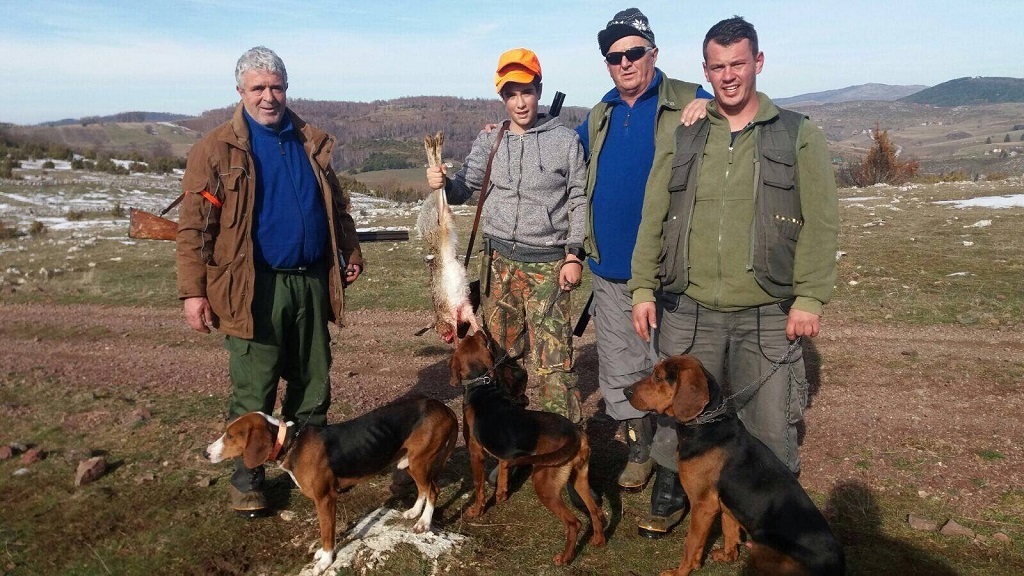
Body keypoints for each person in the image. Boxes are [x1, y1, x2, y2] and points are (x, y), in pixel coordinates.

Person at [629, 12, 839, 524]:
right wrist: (641, 286)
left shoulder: (796, 134)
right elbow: (654, 210)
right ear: (706, 68)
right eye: (718, 66)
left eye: (738, 64)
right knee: (683, 412)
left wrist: (809, 298)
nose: (729, 75)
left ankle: (768, 516)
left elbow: (821, 219)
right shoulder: (685, 132)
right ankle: (674, 488)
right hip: (691, 306)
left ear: (758, 63)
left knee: (768, 424)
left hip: (766, 308)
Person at [176, 46, 363, 517]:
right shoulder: (216, 149)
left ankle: (311, 467)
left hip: (311, 282)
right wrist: (194, 291)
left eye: (276, 86)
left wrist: (349, 250)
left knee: (312, 381)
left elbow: (335, 206)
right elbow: (195, 227)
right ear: (240, 92)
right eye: (258, 88)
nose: (268, 96)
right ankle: (248, 479)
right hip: (252, 287)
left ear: (286, 89)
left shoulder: (309, 141)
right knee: (254, 387)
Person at [576, 7, 711, 539]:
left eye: (635, 51)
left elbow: (736, 124)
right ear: (607, 63)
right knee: (621, 370)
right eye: (616, 55)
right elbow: (574, 166)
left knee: (670, 369)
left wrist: (710, 103)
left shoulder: (687, 99)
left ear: (653, 53)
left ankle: (674, 470)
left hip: (668, 269)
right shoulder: (600, 114)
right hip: (609, 268)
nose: (626, 62)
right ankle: (640, 451)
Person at [426, 48, 587, 424]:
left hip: (548, 267)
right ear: (502, 98)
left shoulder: (564, 140)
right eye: (511, 94)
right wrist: (443, 183)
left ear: (539, 90)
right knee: (502, 359)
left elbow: (579, 199)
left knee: (553, 364)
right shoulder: (490, 140)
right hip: (499, 264)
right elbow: (465, 186)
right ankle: (510, 440)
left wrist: (574, 254)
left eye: (527, 91)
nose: (520, 102)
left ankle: (560, 449)